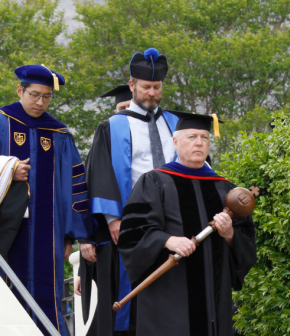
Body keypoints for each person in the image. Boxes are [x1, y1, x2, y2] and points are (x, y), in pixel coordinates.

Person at [0, 64, 94, 336]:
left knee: (46, 292)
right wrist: (7, 169)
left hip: (48, 232)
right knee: (3, 288)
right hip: (4, 228)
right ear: (19, 90)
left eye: (46, 97)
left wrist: (70, 236)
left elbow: (74, 187)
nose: (40, 102)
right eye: (34, 94)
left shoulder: (59, 134)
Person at [117, 112, 257, 336]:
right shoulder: (154, 182)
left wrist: (230, 234)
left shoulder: (224, 188)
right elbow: (132, 233)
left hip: (214, 298)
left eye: (204, 137)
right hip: (169, 296)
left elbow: (247, 245)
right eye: (192, 137)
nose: (199, 143)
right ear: (175, 141)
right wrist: (167, 240)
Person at [76, 48, 179, 336]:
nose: (151, 94)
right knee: (129, 295)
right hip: (129, 221)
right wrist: (113, 220)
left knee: (168, 289)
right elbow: (100, 175)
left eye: (157, 88)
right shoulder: (113, 126)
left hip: (172, 220)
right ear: (132, 85)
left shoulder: (176, 124)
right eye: (146, 87)